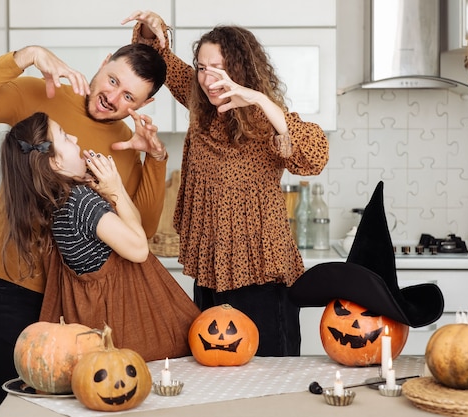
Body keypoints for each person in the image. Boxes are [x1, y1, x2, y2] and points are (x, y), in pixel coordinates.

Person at [0, 43, 168, 414]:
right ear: (104, 61)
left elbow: (140, 230)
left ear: (143, 105)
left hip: (76, 302)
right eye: (112, 80)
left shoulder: (126, 142)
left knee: (72, 407)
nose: (112, 97)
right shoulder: (41, 96)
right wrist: (26, 56)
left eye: (129, 96)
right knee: (13, 405)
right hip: (13, 285)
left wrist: (155, 159)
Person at [123, 11, 329, 357]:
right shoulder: (199, 107)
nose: (206, 78)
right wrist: (149, 27)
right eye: (202, 68)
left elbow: (315, 155)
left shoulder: (266, 122)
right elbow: (156, 58)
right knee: (214, 376)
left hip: (261, 274)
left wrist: (261, 100)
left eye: (217, 68)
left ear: (241, 70)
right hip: (211, 271)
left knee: (271, 383)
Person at [1, 111, 199, 364]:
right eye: (64, 135)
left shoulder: (61, 202)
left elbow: (132, 229)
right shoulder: (80, 201)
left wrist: (114, 192)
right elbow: (138, 249)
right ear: (55, 163)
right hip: (129, 334)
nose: (73, 136)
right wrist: (114, 188)